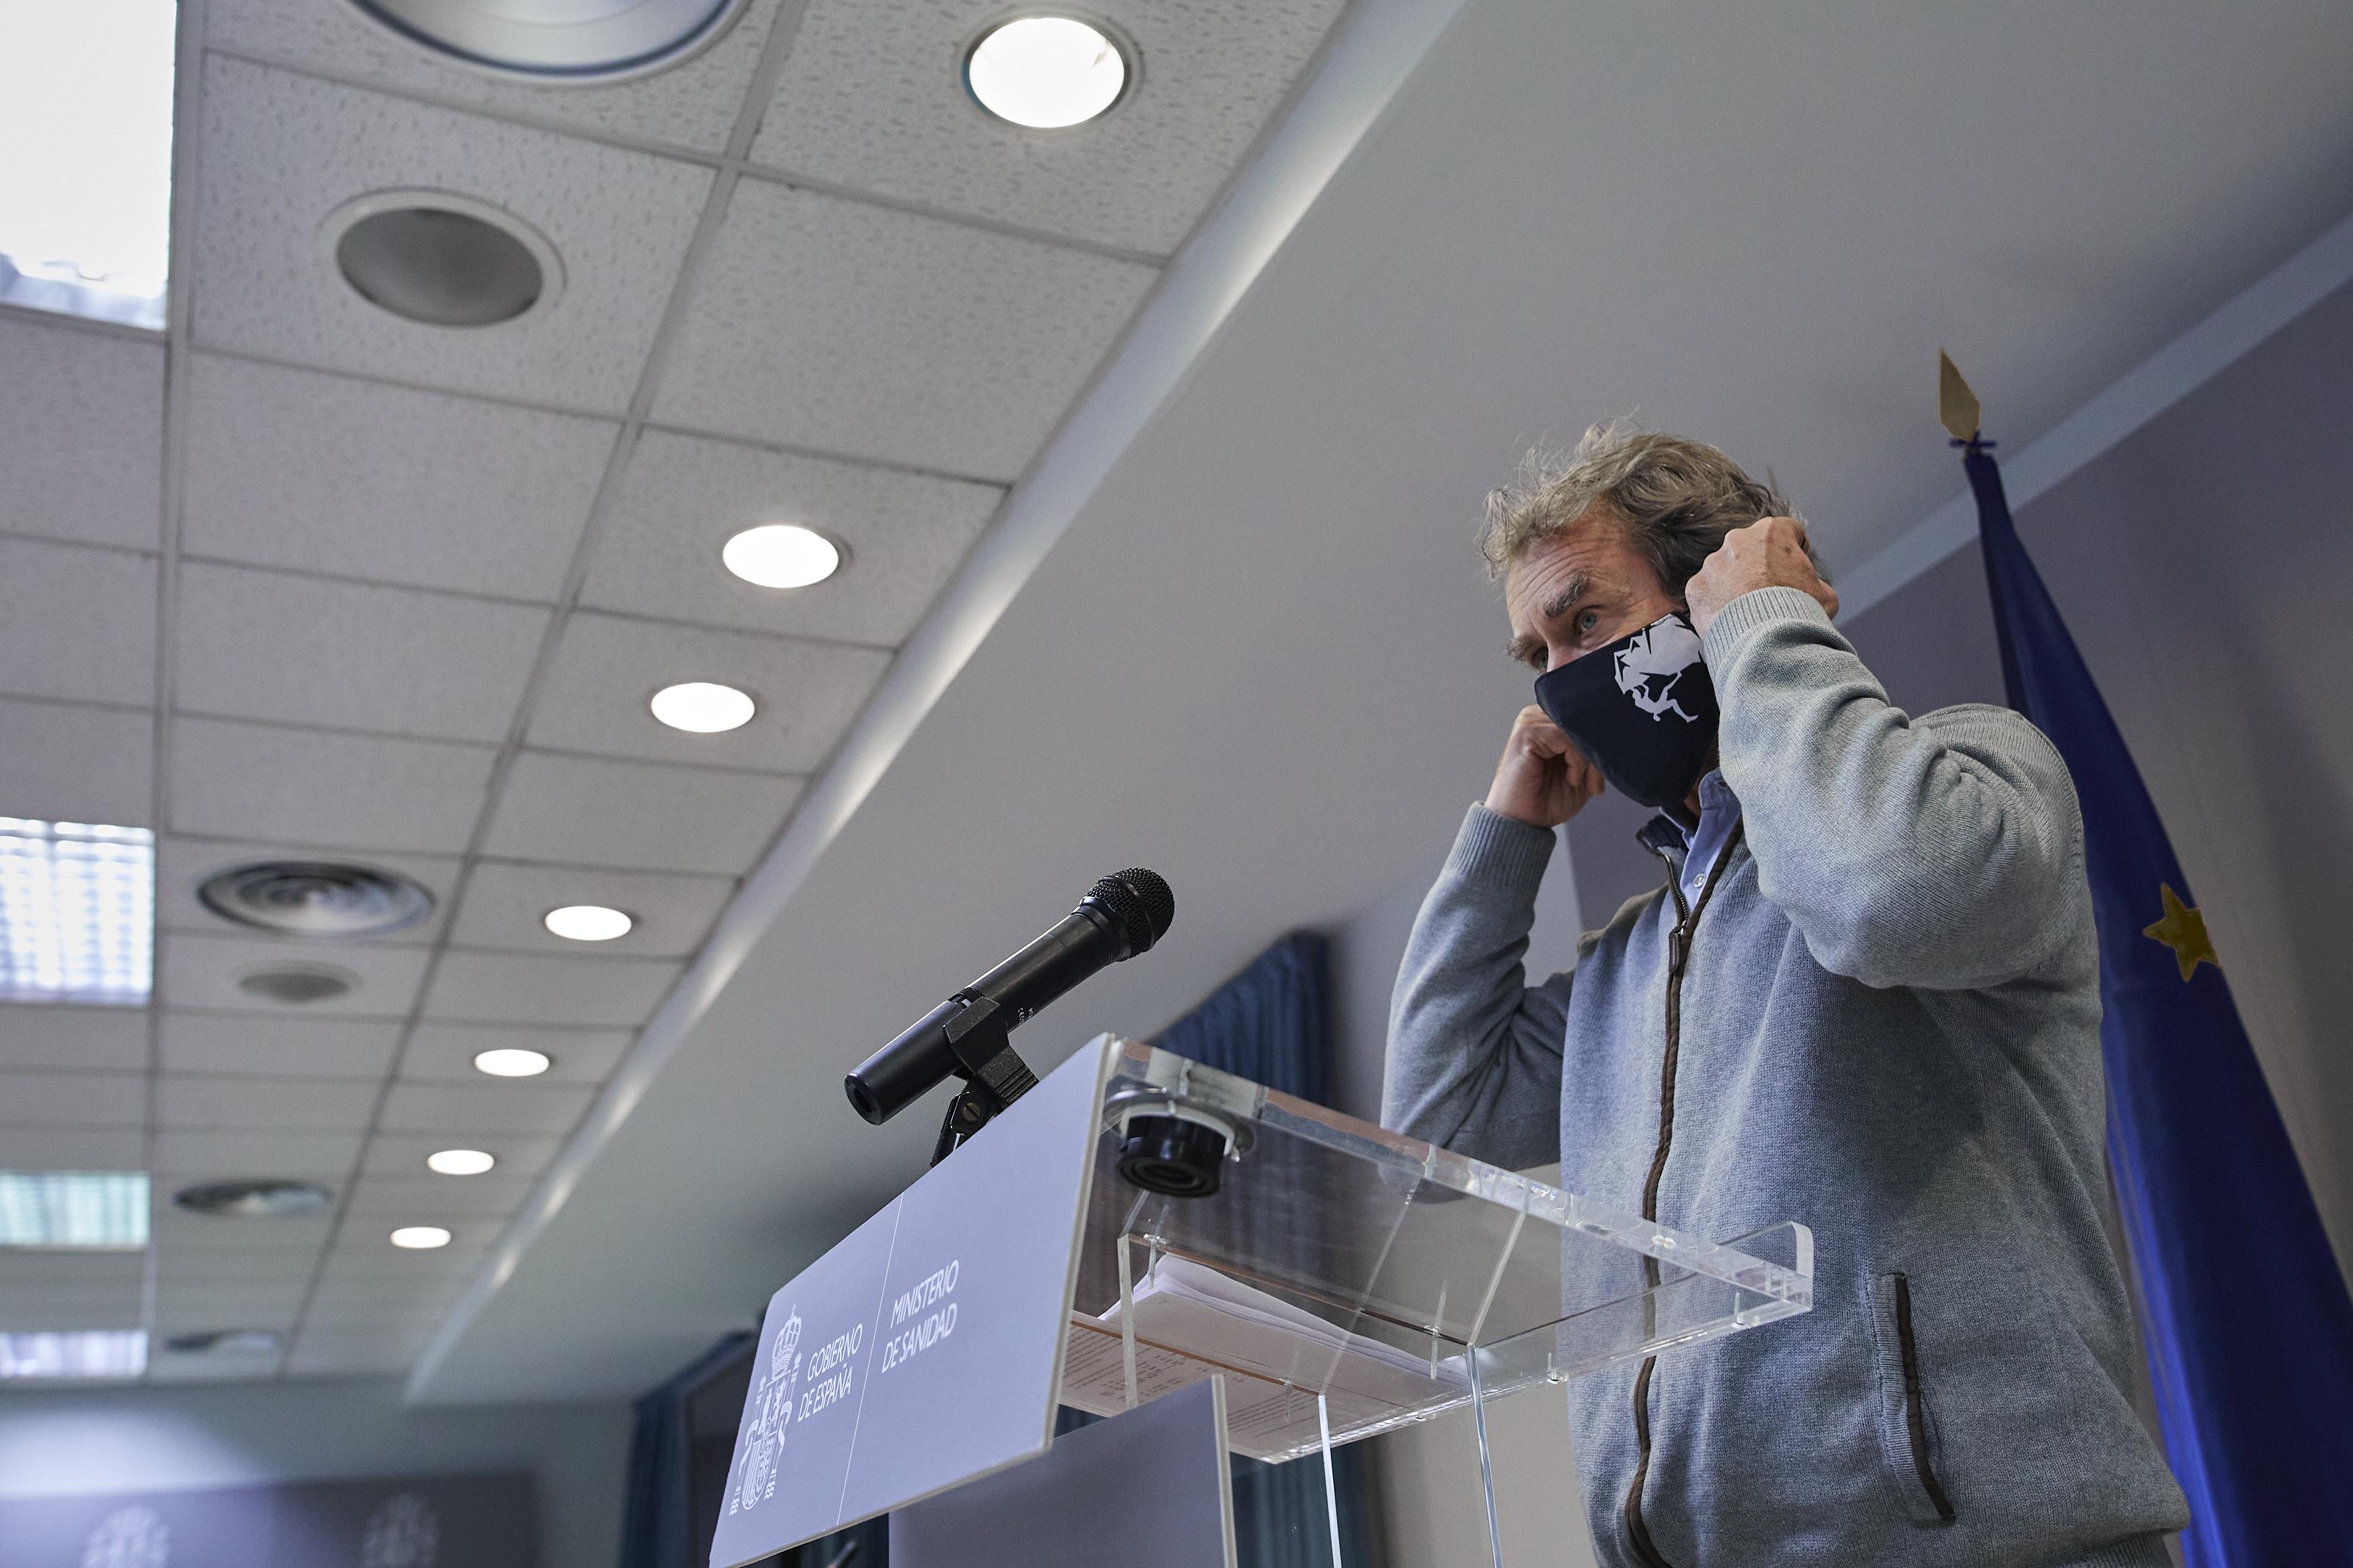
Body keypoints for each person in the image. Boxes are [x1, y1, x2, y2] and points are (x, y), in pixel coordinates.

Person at [1382, 424, 2188, 1567]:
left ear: (1710, 593)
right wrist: (1504, 840)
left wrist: (1766, 625)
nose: (1561, 684)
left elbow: (1889, 897)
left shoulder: (1974, 774)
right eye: (1537, 653)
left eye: (1587, 619)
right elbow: (1435, 1121)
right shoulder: (1628, 964)